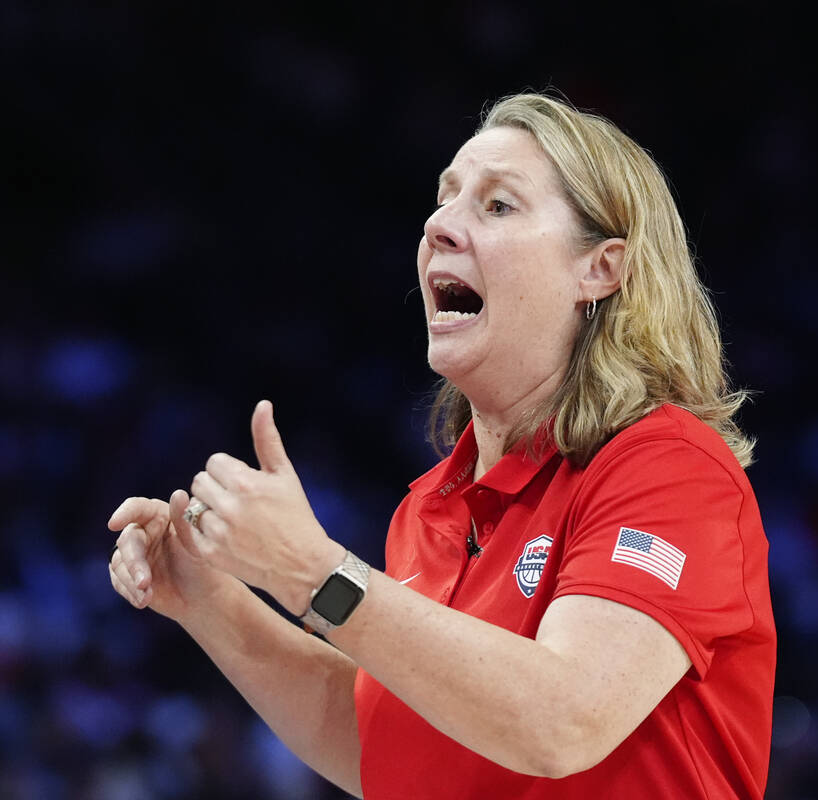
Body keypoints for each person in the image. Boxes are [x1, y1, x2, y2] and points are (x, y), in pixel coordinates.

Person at [108, 92, 775, 799]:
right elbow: (379, 742)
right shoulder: (429, 509)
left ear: (600, 269)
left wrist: (315, 574)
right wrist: (208, 599)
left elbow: (563, 720)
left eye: (497, 205)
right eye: (444, 199)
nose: (438, 225)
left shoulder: (669, 467)